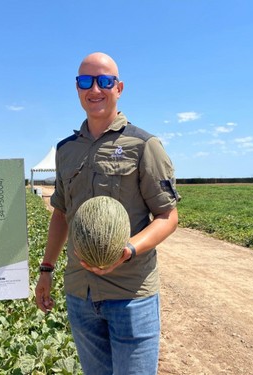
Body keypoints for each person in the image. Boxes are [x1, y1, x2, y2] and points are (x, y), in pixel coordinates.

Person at [35, 52, 179, 375]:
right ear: (77, 88)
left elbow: (168, 217)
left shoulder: (144, 145)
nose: (95, 89)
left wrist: (128, 250)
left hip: (131, 297)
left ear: (119, 87)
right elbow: (60, 213)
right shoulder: (65, 150)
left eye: (105, 81)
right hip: (80, 295)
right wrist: (47, 269)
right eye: (86, 81)